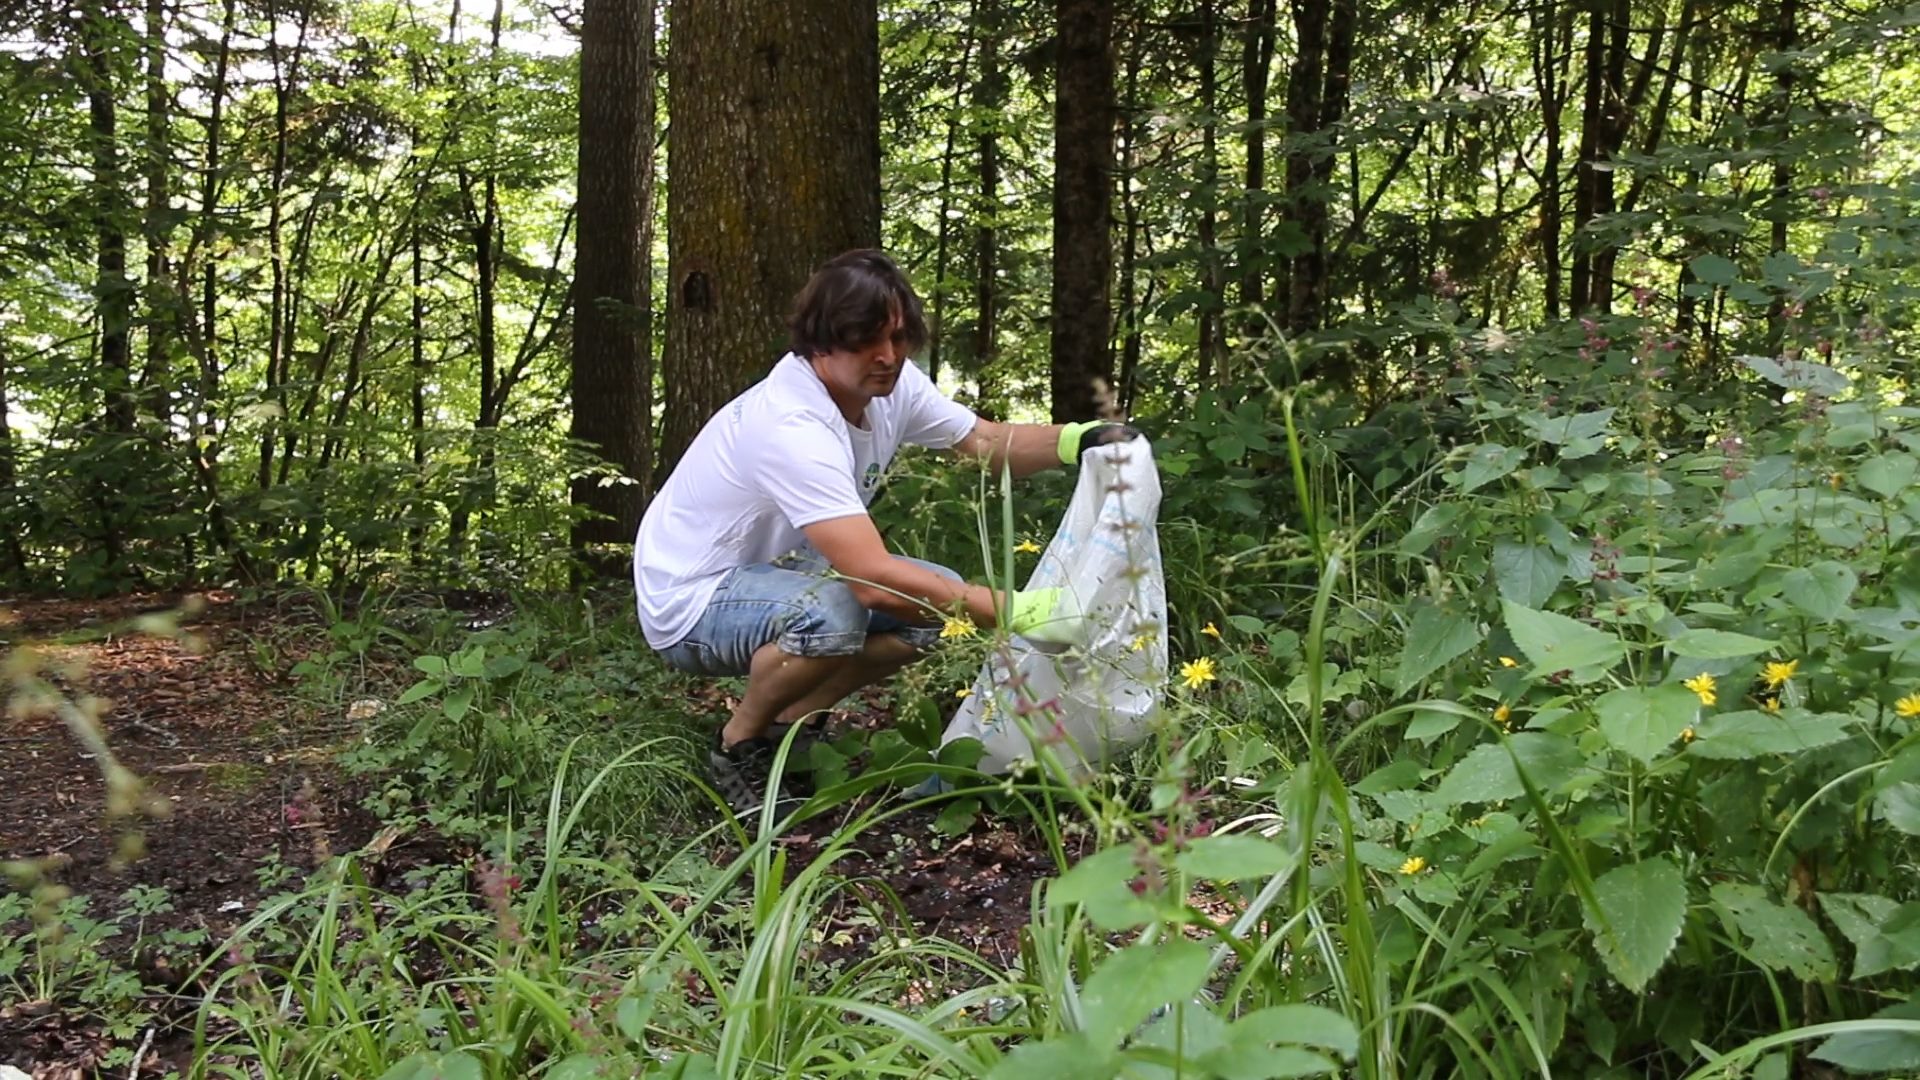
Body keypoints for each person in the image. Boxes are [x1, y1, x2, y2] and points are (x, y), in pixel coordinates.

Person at [632, 249, 1138, 812]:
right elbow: (872, 580)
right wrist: (1016, 610)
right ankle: (738, 744)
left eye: (898, 337)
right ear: (820, 341)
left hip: (777, 579)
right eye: (865, 340)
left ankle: (790, 727)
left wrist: (1083, 438)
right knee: (836, 613)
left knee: (932, 607)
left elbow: (985, 443)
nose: (888, 356)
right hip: (691, 600)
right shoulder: (791, 424)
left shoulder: (892, 386)